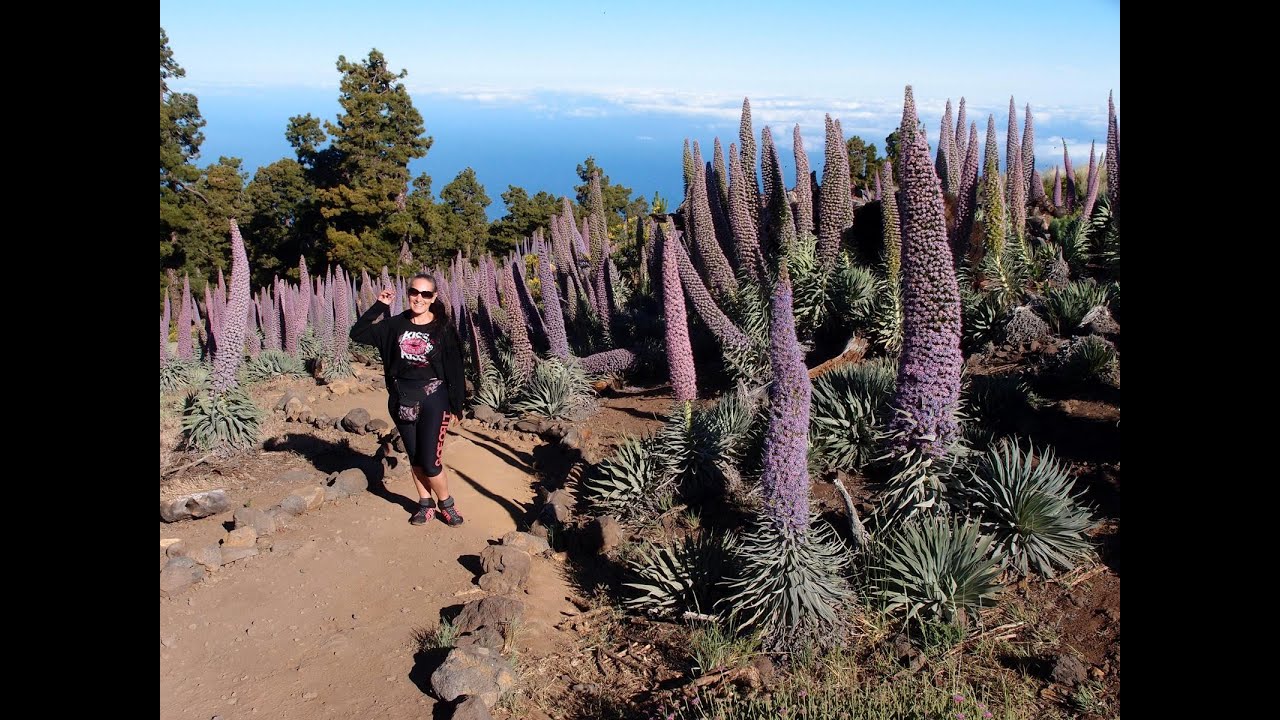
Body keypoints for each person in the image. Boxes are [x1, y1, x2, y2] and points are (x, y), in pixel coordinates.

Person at [350, 274, 466, 526]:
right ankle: (425, 504)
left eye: (426, 294)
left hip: (435, 399)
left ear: (434, 297)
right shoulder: (394, 325)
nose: (419, 298)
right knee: (415, 458)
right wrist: (380, 305)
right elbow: (357, 333)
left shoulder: (443, 328)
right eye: (415, 292)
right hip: (402, 399)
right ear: (409, 293)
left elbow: (456, 369)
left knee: (431, 462)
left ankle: (447, 504)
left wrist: (457, 406)